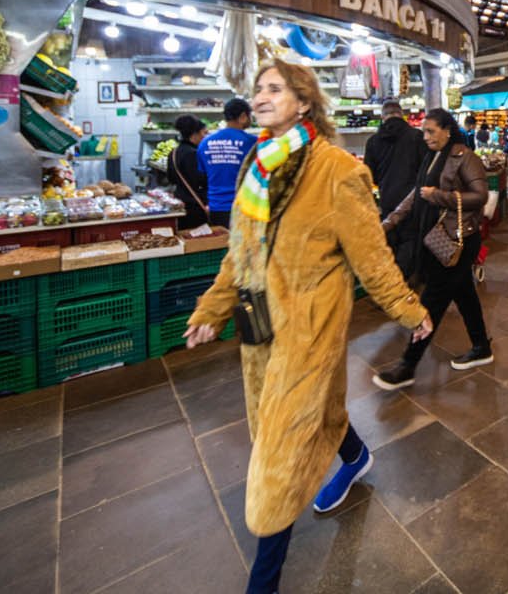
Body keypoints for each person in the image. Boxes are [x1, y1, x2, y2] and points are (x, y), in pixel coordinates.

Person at [182, 60, 433, 594]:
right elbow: (240, 255)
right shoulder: (259, 163)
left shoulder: (337, 170)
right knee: (316, 415)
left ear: (304, 101)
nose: (262, 95)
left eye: (276, 88)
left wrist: (410, 311)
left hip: (309, 334)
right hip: (259, 331)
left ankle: (264, 582)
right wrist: (211, 309)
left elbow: (373, 259)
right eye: (259, 88)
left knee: (277, 453)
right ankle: (356, 456)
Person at [373, 108, 493, 389]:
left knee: (434, 299)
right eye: (424, 131)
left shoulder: (464, 156)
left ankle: (408, 364)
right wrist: (388, 224)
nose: (425, 136)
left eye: (431, 131)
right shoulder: (431, 157)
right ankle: (481, 347)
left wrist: (438, 196)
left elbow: (480, 196)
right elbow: (415, 196)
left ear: (447, 130)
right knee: (464, 293)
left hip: (457, 239)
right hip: (437, 236)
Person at [364, 101, 427, 276]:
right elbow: (425, 170)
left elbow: (369, 175)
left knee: (390, 240)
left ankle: (392, 279)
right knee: (410, 240)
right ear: (401, 114)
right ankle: (404, 280)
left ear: (383, 117)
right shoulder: (417, 136)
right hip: (412, 199)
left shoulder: (373, 141)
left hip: (387, 198)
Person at [198, 97, 255, 227]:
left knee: (222, 244)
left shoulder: (205, 143)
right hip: (244, 206)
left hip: (215, 207)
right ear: (243, 116)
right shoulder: (251, 142)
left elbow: (203, 175)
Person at [166, 114, 210, 229]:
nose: (205, 137)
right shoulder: (193, 153)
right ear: (194, 134)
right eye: (203, 133)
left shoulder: (174, 152)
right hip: (195, 206)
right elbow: (201, 181)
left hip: (180, 202)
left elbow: (171, 178)